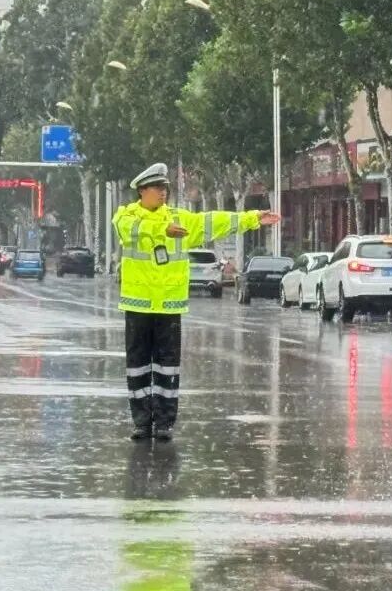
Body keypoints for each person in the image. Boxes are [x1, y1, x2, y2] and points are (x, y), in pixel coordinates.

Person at [112, 163, 281, 441]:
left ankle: (164, 423)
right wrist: (163, 230)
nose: (163, 193)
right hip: (138, 305)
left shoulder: (180, 219)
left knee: (168, 368)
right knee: (138, 366)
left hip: (169, 306)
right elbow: (133, 229)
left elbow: (214, 221)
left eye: (165, 188)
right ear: (142, 191)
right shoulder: (125, 216)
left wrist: (252, 218)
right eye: (157, 188)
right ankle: (141, 421)